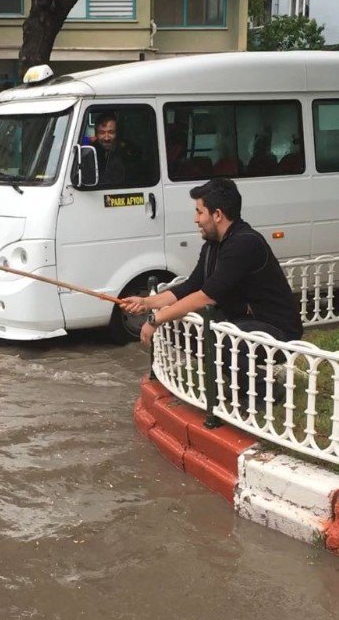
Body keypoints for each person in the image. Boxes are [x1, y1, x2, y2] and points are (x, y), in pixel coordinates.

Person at [122, 177, 303, 408]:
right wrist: (146, 303)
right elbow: (191, 286)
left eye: (199, 212)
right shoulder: (213, 245)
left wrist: (155, 318)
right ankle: (243, 381)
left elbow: (206, 296)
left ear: (217, 214)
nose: (196, 219)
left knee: (217, 337)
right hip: (244, 322)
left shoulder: (244, 243)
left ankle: (264, 390)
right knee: (181, 328)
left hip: (278, 331)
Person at [92, 112, 127, 187]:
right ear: (96, 134)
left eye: (111, 132)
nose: (106, 138)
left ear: (117, 133)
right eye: (102, 133)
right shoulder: (89, 152)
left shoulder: (126, 153)